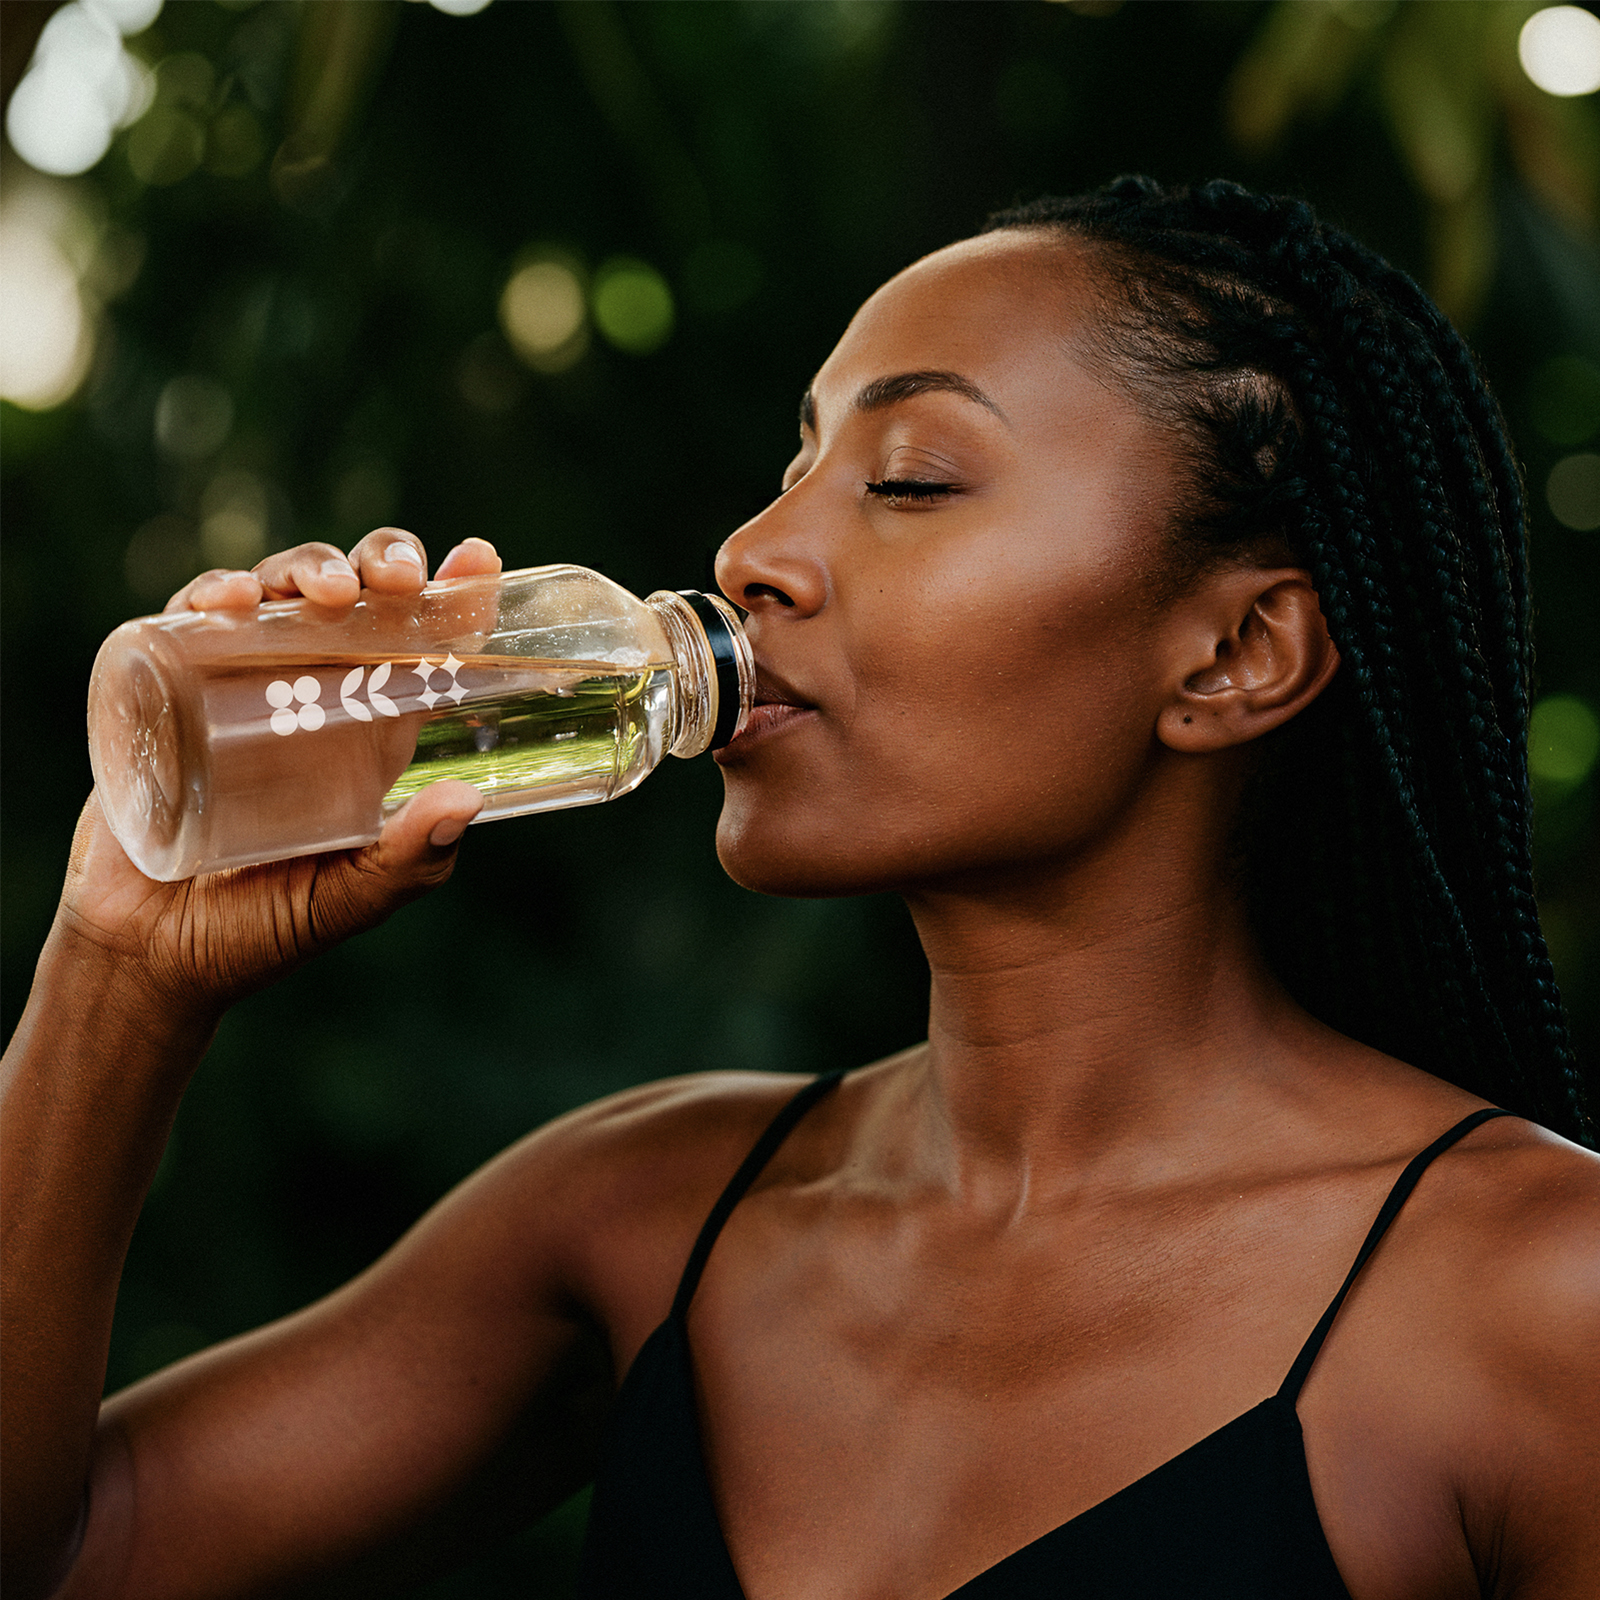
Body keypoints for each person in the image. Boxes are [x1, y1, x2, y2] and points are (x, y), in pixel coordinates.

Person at [3, 176, 1596, 1600]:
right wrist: (122, 971)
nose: (755, 550)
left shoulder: (1539, 1303)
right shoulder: (641, 1217)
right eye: (793, 468)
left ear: (1238, 652)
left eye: (908, 479)